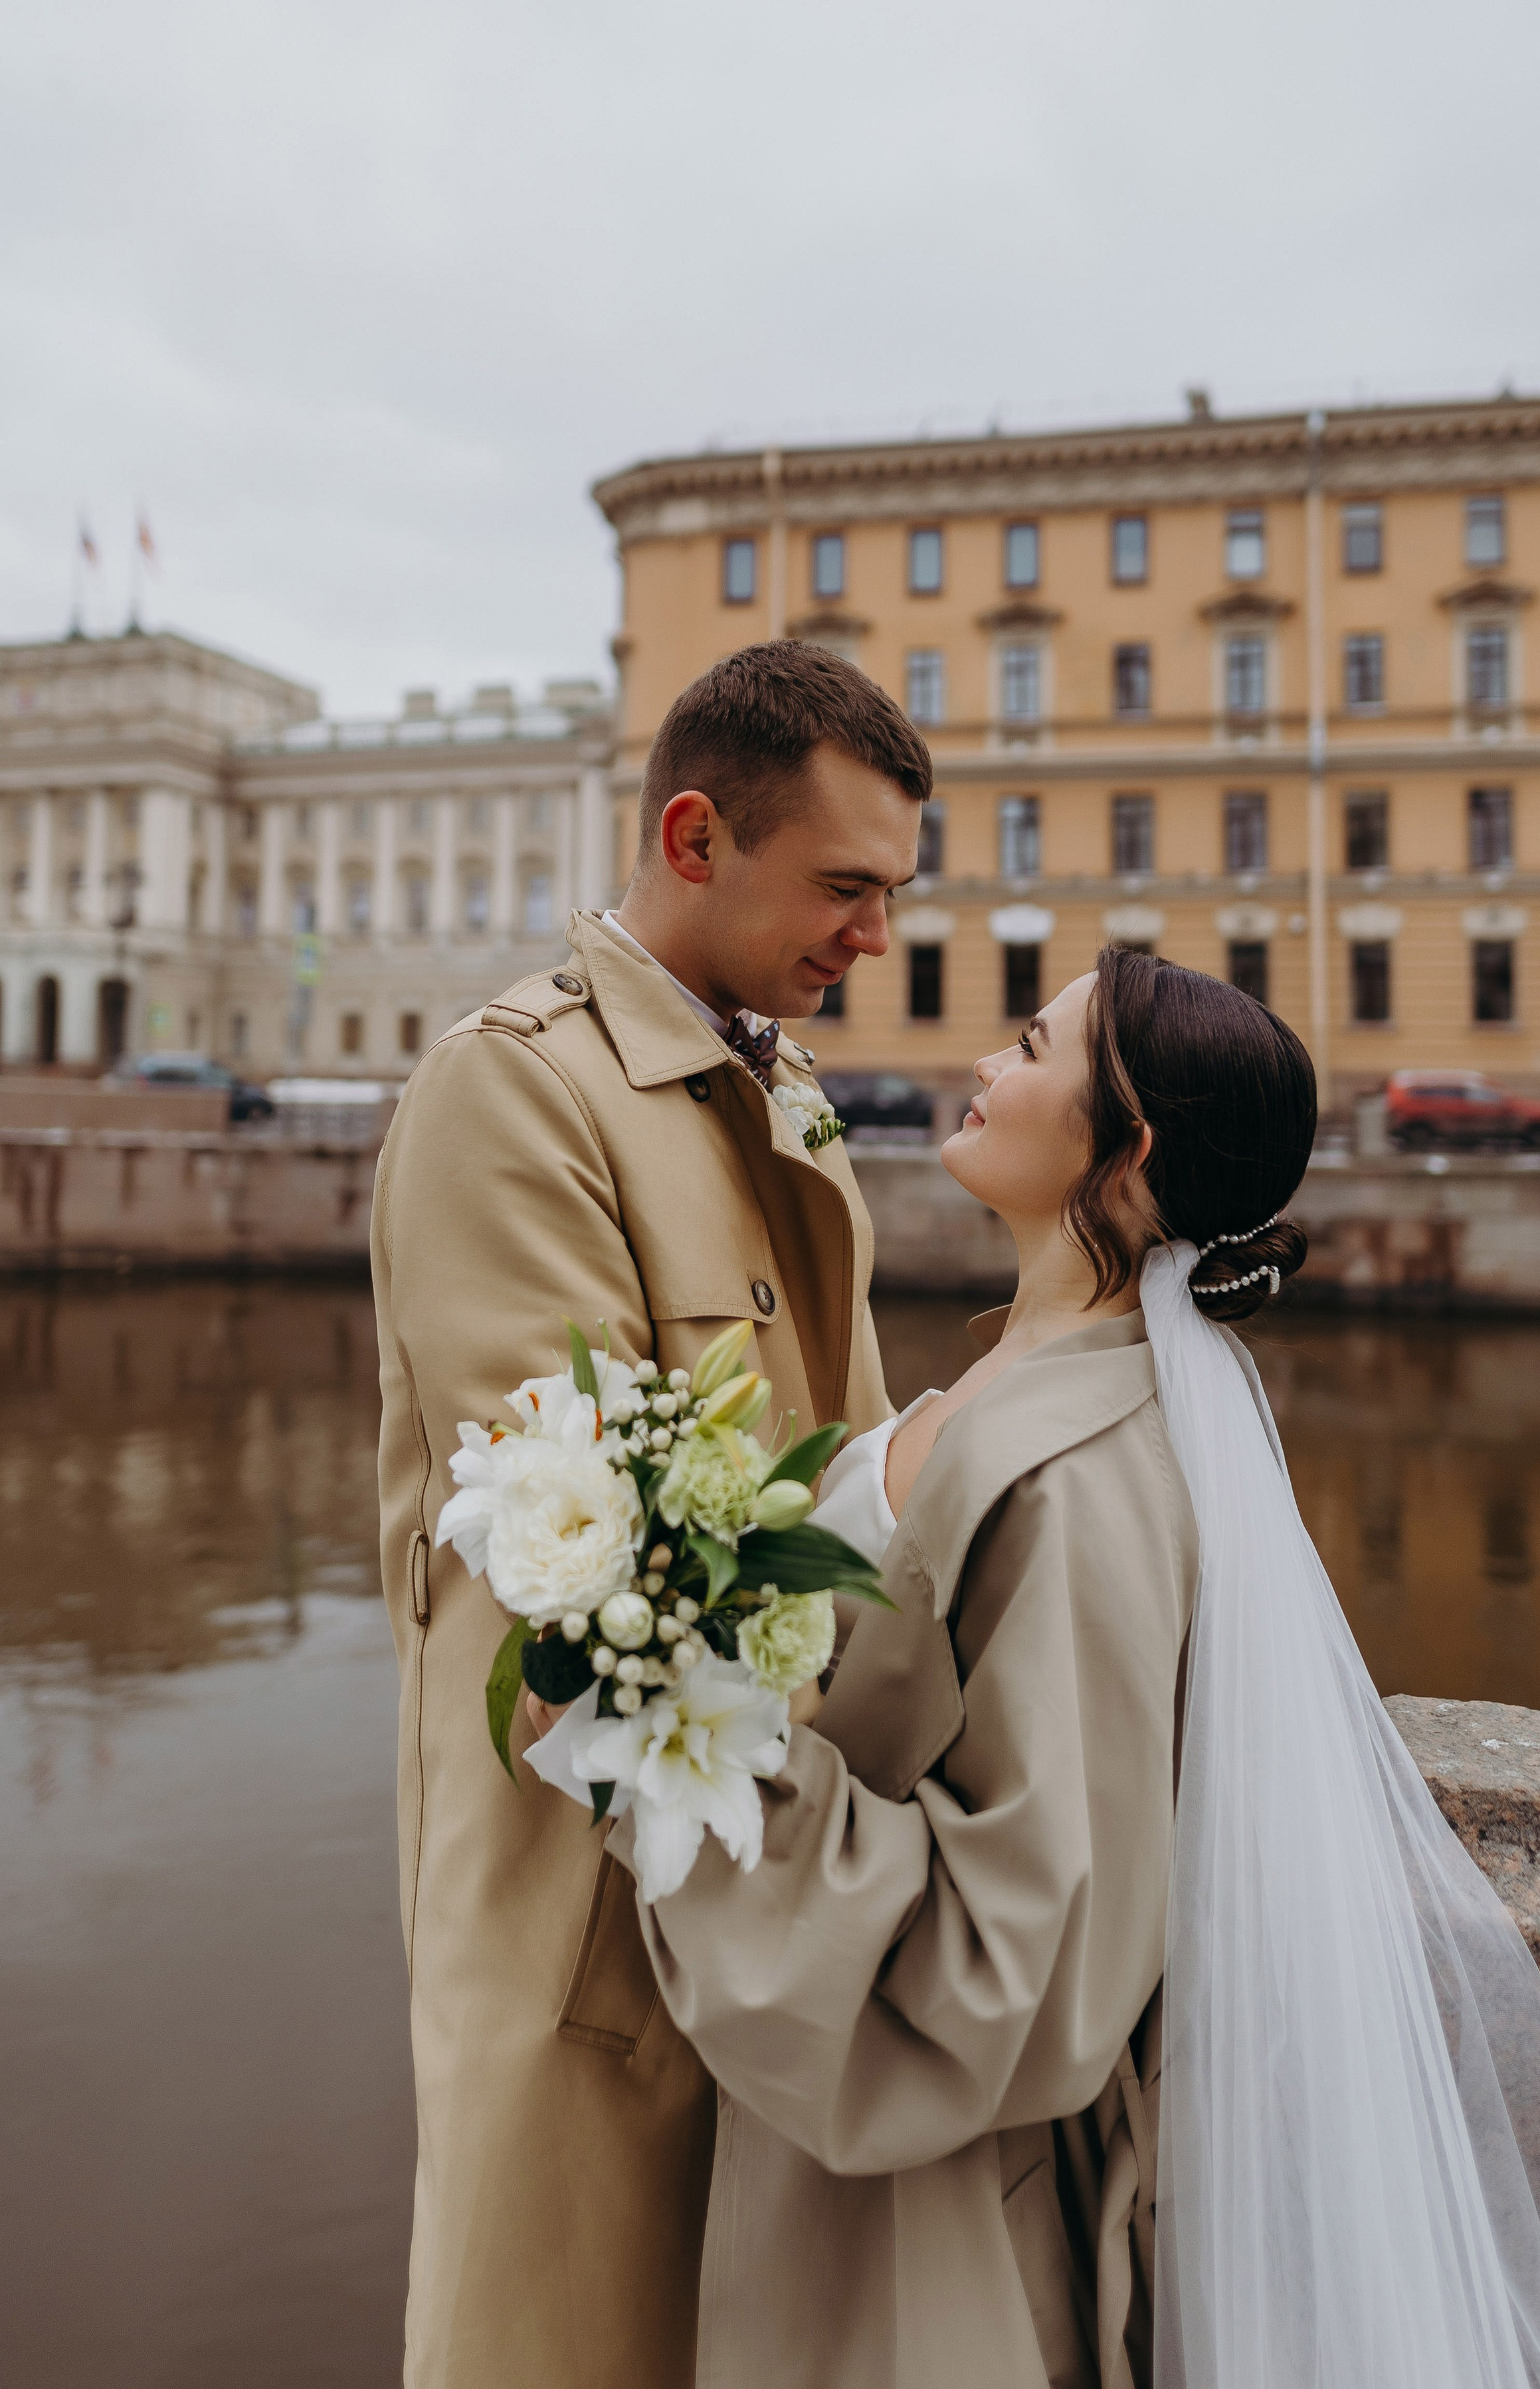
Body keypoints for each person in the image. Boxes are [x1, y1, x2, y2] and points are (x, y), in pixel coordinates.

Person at [581, 950, 1540, 2389]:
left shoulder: (1077, 1479)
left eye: (1030, 1044)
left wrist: (673, 1728)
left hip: (928, 2227)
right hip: (837, 2155)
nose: (983, 1063)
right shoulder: (1029, 1378)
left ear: (1126, 1144)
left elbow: (1018, 1977)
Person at [372, 641, 932, 2389]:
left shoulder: (772, 1086)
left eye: (894, 893)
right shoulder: (514, 1090)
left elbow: (856, 1477)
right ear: (698, 837)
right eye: (847, 888)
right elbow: (594, 1556)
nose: (878, 938)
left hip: (777, 1881)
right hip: (588, 1924)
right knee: (556, 2338)